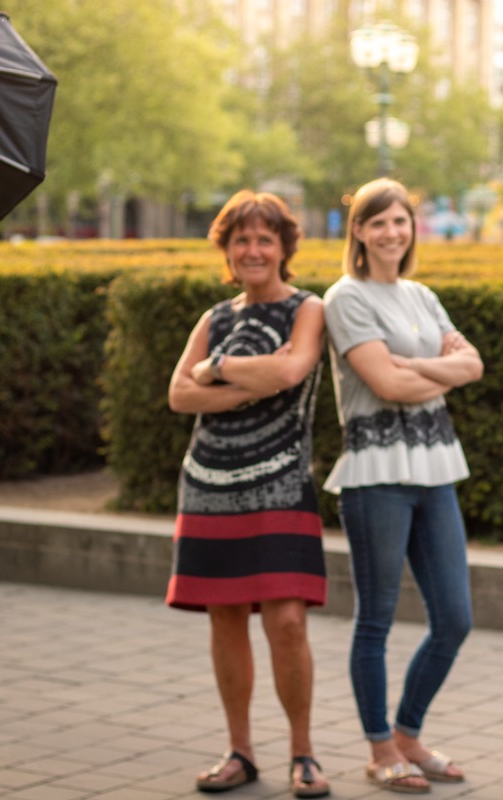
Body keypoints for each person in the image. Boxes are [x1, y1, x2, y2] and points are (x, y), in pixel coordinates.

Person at [167, 190, 330, 798]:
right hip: (207, 484)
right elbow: (178, 396)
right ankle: (239, 750)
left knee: (288, 623)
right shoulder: (214, 318)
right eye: (242, 240)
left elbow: (292, 371)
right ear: (227, 251)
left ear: (284, 247)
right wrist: (237, 377)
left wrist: (213, 370)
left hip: (282, 484)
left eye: (265, 239)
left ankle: (304, 754)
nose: (253, 250)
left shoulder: (307, 309)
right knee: (225, 617)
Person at [323, 178, 484, 794]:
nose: (393, 231)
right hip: (375, 476)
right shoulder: (345, 298)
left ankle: (410, 734)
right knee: (377, 620)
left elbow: (472, 365)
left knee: (455, 619)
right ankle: (379, 747)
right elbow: (384, 387)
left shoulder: (420, 294)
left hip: (436, 467)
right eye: (379, 222)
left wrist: (410, 366)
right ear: (359, 232)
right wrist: (435, 371)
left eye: (401, 221)